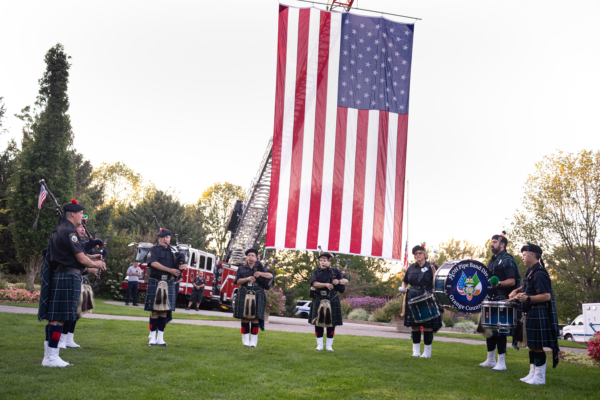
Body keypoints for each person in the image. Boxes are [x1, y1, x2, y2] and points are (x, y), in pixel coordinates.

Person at [38, 199, 105, 367]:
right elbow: (80, 258)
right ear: (73, 214)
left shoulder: (60, 229)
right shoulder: (70, 232)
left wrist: (92, 257)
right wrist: (95, 264)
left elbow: (70, 255)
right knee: (58, 318)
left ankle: (50, 356)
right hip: (67, 277)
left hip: (62, 275)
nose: (82, 217)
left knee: (56, 318)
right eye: (81, 213)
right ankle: (52, 357)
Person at [509, 243, 559, 385]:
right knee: (531, 345)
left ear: (532, 255)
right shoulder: (532, 272)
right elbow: (527, 285)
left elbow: (546, 296)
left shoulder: (539, 273)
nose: (522, 258)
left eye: (524, 255)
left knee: (537, 346)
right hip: (531, 312)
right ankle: (533, 373)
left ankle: (540, 377)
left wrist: (528, 298)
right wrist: (517, 292)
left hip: (538, 312)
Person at [479, 232, 521, 370]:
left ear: (502, 244)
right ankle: (490, 359)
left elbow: (512, 280)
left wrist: (498, 284)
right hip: (491, 297)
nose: (492, 244)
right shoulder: (492, 260)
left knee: (500, 330)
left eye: (495, 242)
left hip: (502, 297)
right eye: (492, 242)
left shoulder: (507, 259)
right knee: (489, 329)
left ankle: (501, 363)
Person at [399, 243, 443, 358]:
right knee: (414, 325)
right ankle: (416, 351)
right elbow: (405, 280)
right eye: (416, 254)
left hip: (427, 296)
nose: (418, 255)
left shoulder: (431, 266)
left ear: (425, 255)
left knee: (428, 325)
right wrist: (403, 287)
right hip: (412, 296)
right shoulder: (411, 268)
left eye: (420, 253)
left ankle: (427, 353)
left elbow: (436, 280)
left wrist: (433, 267)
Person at [145, 228, 188, 347]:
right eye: (163, 237)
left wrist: (182, 266)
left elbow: (176, 268)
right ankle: (152, 338)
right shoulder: (153, 250)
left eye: (167, 237)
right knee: (155, 310)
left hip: (168, 282)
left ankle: (160, 339)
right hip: (156, 280)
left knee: (164, 311)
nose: (165, 239)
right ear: (159, 239)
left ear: (170, 239)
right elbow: (153, 263)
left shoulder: (172, 252)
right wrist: (170, 270)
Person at [308, 252, 348, 351]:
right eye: (321, 261)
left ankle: (329, 346)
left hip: (332, 298)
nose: (322, 262)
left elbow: (346, 281)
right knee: (318, 322)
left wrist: (338, 281)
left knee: (331, 323)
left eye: (325, 260)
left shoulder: (335, 271)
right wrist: (326, 285)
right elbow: (314, 284)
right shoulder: (316, 272)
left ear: (329, 261)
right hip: (318, 297)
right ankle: (320, 345)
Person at [233, 249, 273, 348]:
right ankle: (246, 341)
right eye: (249, 255)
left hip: (258, 293)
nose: (250, 257)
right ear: (247, 257)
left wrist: (260, 274)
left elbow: (270, 275)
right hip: (244, 292)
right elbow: (237, 281)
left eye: (253, 255)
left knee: (255, 318)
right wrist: (247, 279)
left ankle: (253, 342)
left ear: (256, 257)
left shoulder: (261, 268)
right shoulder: (241, 268)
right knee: (245, 317)